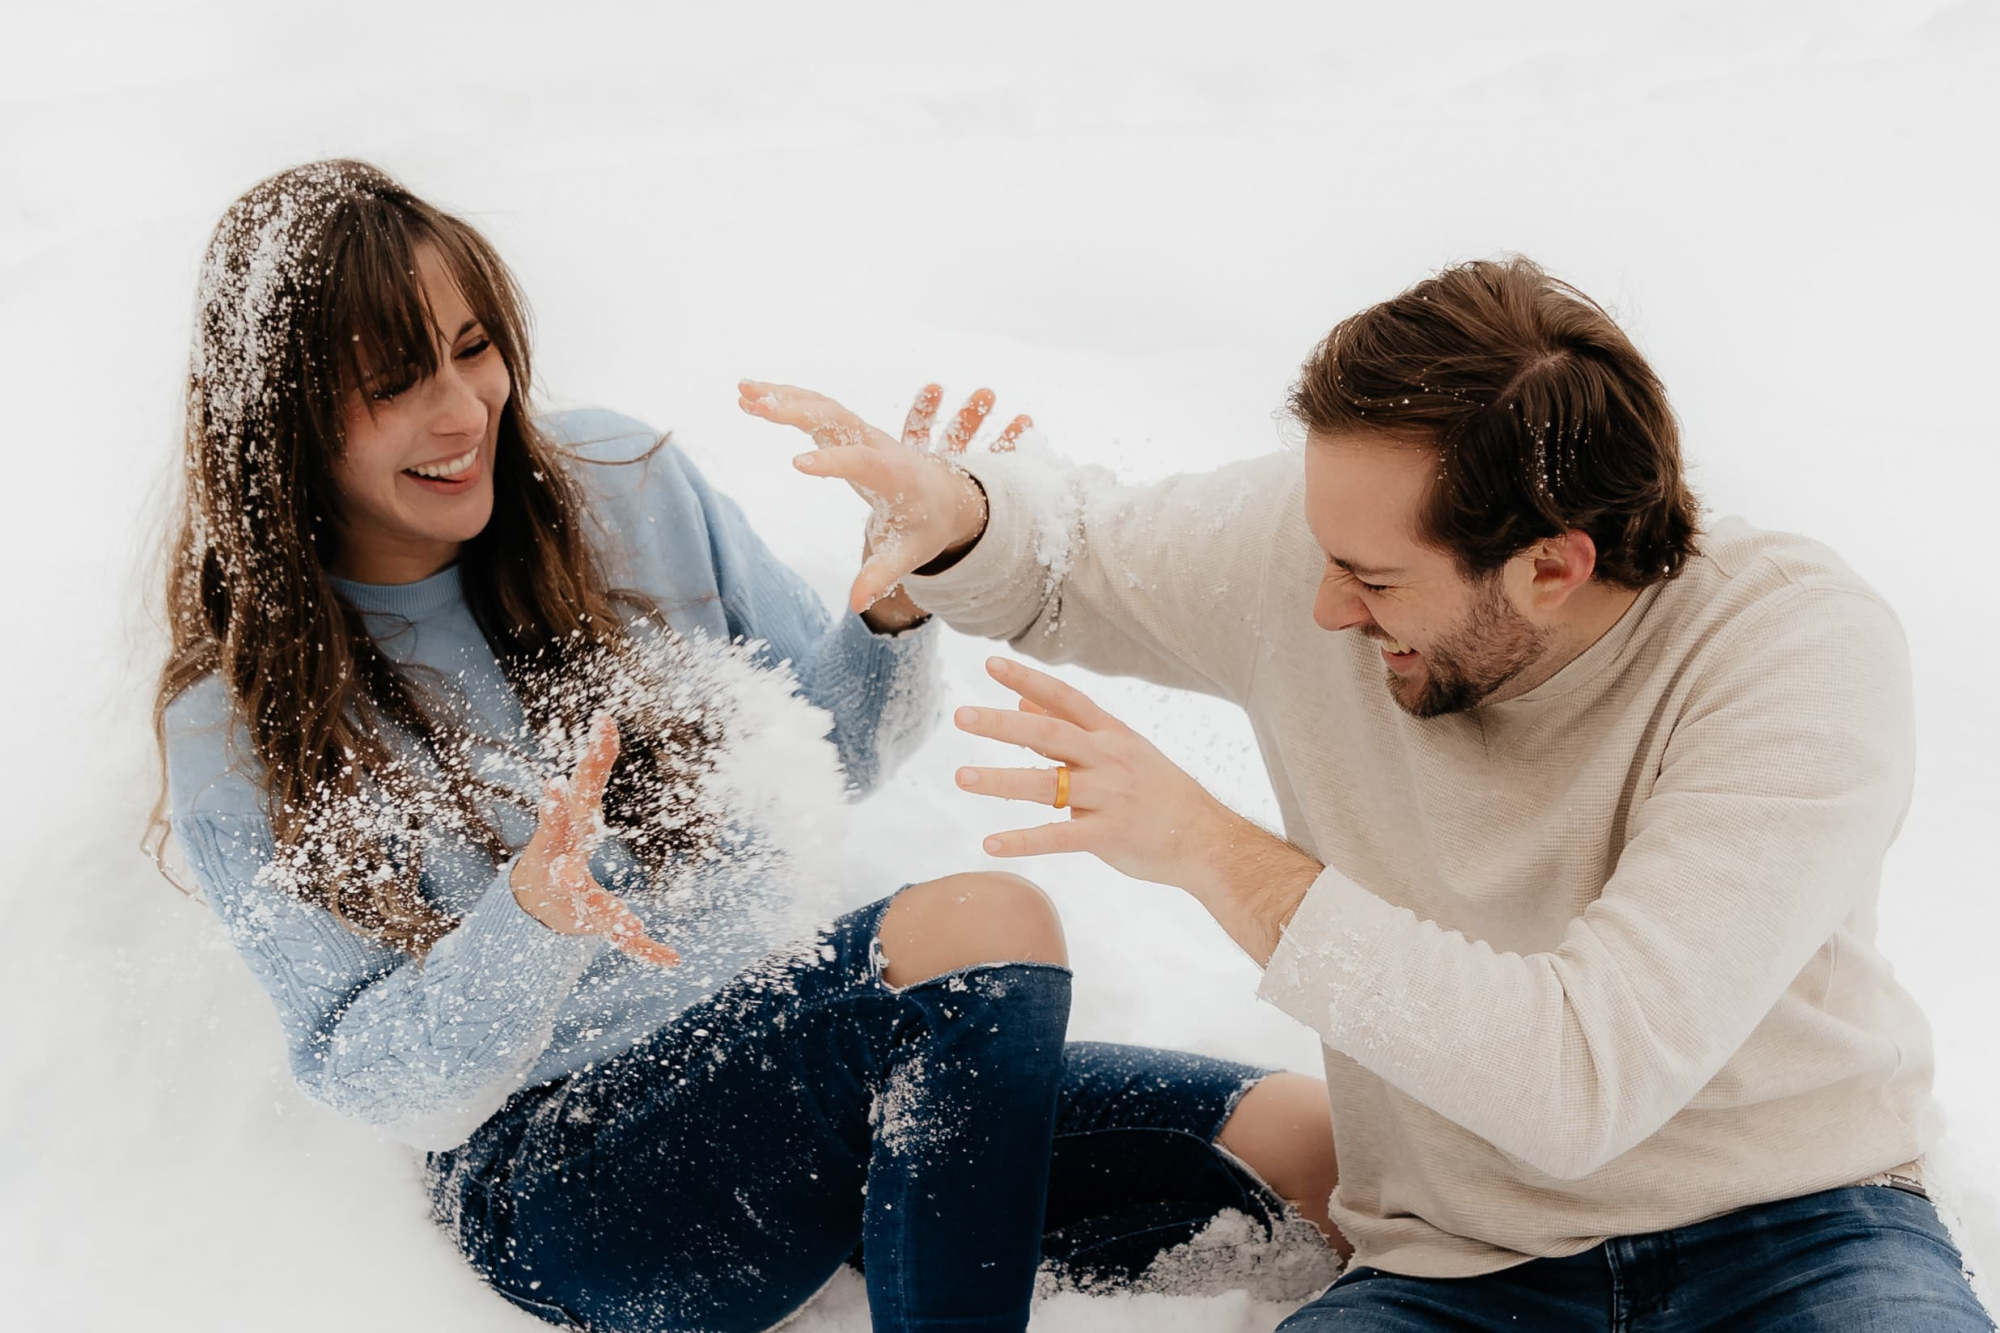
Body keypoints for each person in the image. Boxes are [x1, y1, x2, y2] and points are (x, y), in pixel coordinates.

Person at [153, 159, 1346, 1333]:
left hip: (812, 1057)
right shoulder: (240, 721)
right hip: (569, 1176)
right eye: (394, 380)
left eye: (473, 349)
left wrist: (892, 604)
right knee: (982, 921)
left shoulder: (627, 489)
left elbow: (829, 759)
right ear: (287, 413)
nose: (462, 410)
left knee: (1327, 1159)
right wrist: (528, 920)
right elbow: (379, 1077)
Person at [742, 257, 1995, 1331]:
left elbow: (1580, 1079)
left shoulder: (1787, 654)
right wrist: (960, 514)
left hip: (1799, 1235)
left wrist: (1212, 852)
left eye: (1374, 582)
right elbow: (1073, 557)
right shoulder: (1337, 546)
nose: (1323, 607)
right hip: (1456, 1268)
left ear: (1554, 564)